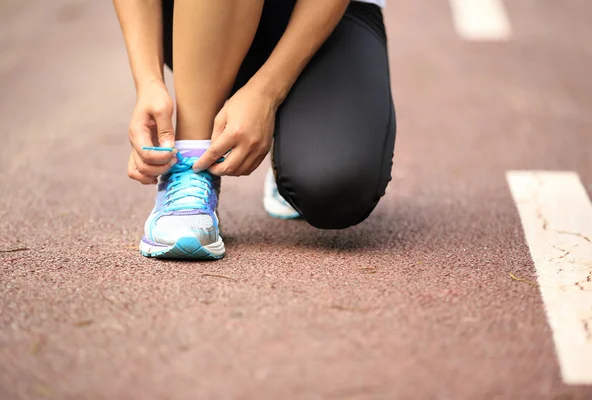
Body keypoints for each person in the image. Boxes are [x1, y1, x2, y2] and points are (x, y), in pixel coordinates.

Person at [113, 0, 396, 260]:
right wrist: (148, 81)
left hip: (329, 16)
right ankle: (191, 165)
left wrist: (267, 93)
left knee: (335, 188)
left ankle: (288, 137)